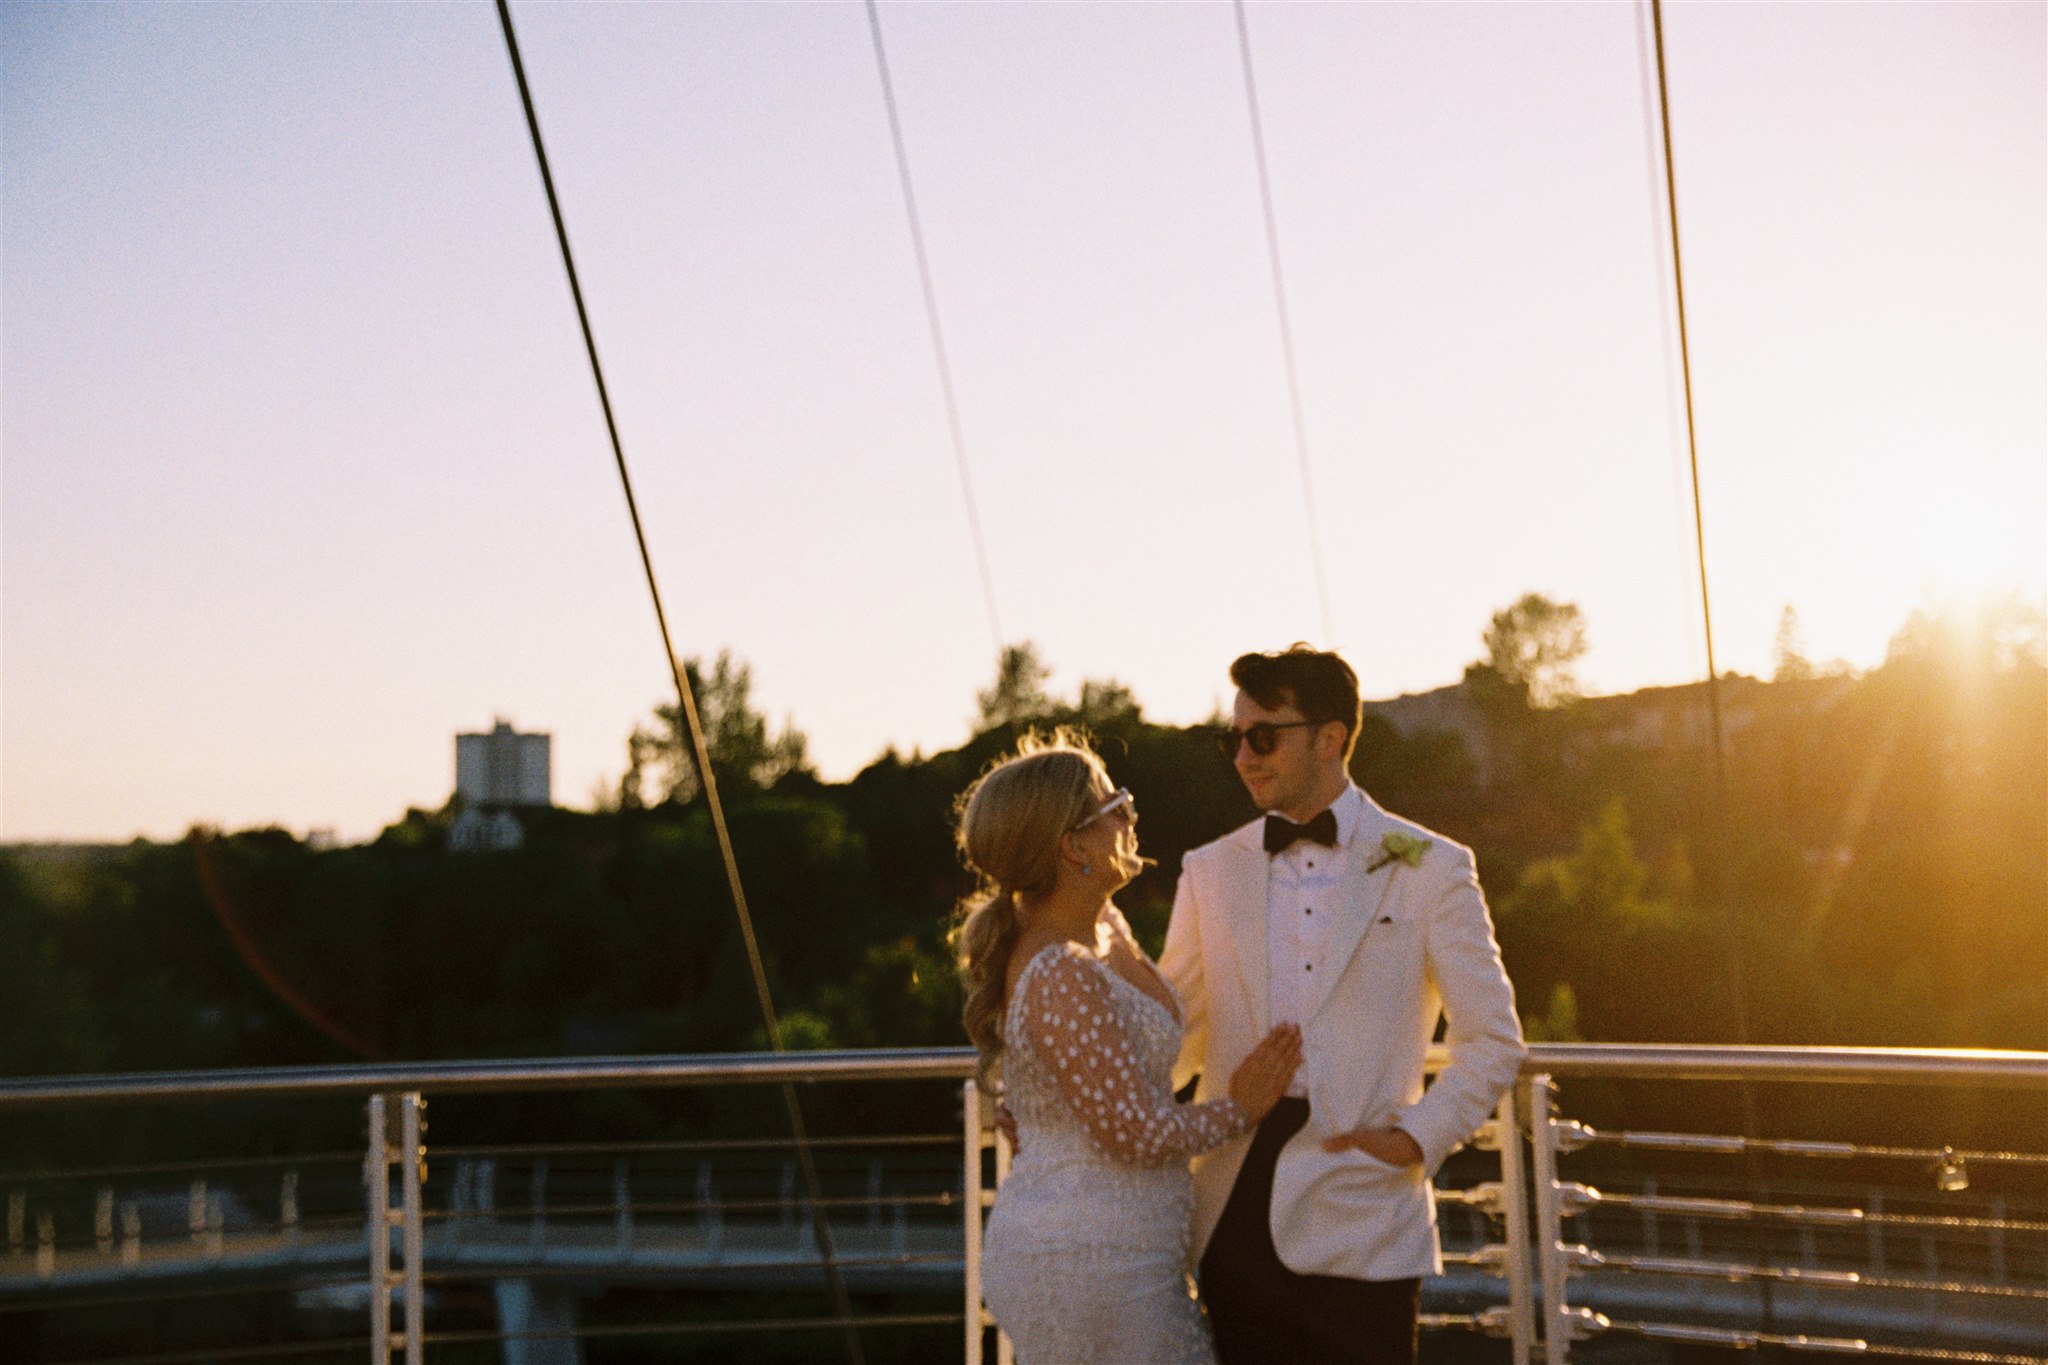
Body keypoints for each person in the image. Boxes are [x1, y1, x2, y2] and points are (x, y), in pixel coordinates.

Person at [1160, 645, 1526, 1365]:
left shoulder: (1433, 866)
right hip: (1234, 1204)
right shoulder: (1208, 870)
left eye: (1262, 736)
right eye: (1232, 738)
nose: (1242, 756)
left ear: (1330, 738)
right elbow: (1171, 1036)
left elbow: (1494, 1040)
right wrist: (1068, 1100)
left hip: (1366, 1204)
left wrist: (1416, 1138)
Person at [956, 731, 1304, 1365]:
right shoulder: (1061, 968)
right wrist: (1243, 1106)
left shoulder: (1104, 927)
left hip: (1132, 1250)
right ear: (1073, 846)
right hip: (1087, 1261)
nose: (1130, 812)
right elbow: (1136, 1134)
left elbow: (1091, 1077)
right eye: (1113, 804)